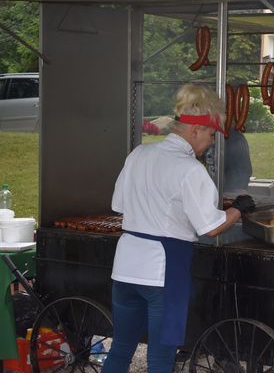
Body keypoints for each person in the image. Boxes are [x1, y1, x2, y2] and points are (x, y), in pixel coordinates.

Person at [103, 84, 256, 373]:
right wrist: (239, 208)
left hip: (125, 268)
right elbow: (211, 228)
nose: (211, 142)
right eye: (212, 135)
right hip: (162, 272)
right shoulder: (191, 170)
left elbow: (118, 204)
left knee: (120, 349)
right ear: (196, 130)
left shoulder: (138, 154)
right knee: (160, 360)